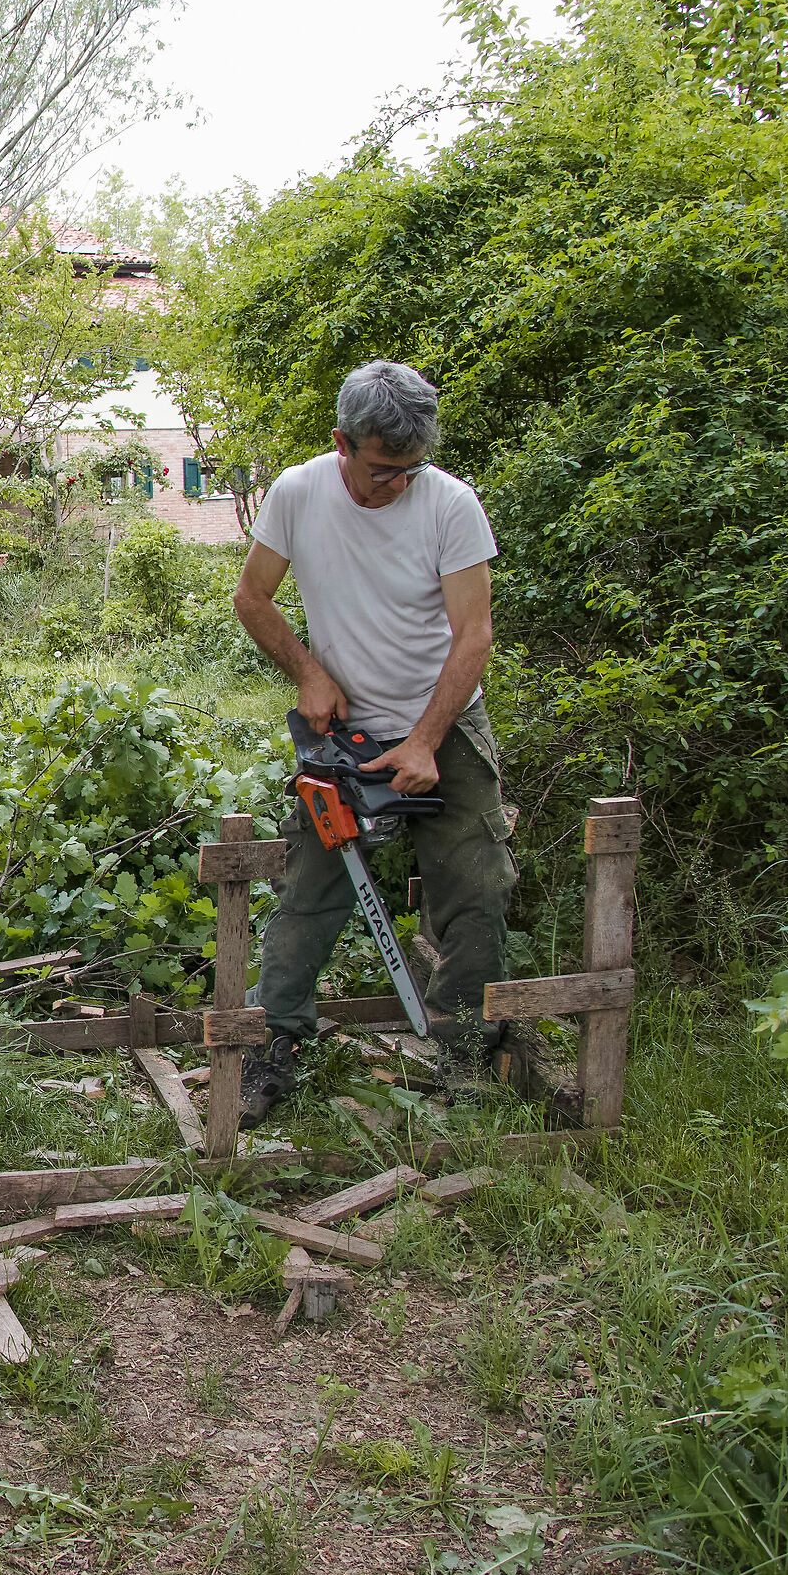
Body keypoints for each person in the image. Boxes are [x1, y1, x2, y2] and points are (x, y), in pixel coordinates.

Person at [229, 361, 516, 1127]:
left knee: (477, 885)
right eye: (383, 469)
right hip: (342, 737)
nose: (396, 484)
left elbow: (474, 635)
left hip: (445, 726)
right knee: (308, 894)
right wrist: (308, 670)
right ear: (342, 443)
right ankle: (273, 1046)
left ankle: (465, 1054)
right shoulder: (297, 492)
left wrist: (426, 739)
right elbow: (251, 598)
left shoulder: (450, 505)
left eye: (410, 470)